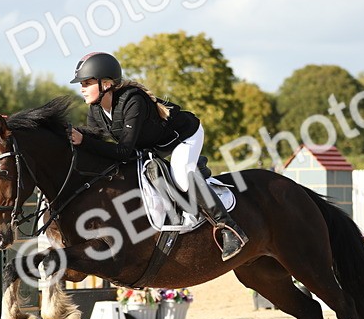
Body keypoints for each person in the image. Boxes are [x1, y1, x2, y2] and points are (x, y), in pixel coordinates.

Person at [66, 51, 248, 260]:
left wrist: (84, 141)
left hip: (184, 136)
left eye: (87, 82)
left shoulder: (133, 100)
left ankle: (229, 229)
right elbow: (95, 145)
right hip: (152, 145)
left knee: (182, 176)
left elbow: (124, 151)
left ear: (106, 84)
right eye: (82, 83)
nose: (82, 88)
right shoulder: (97, 111)